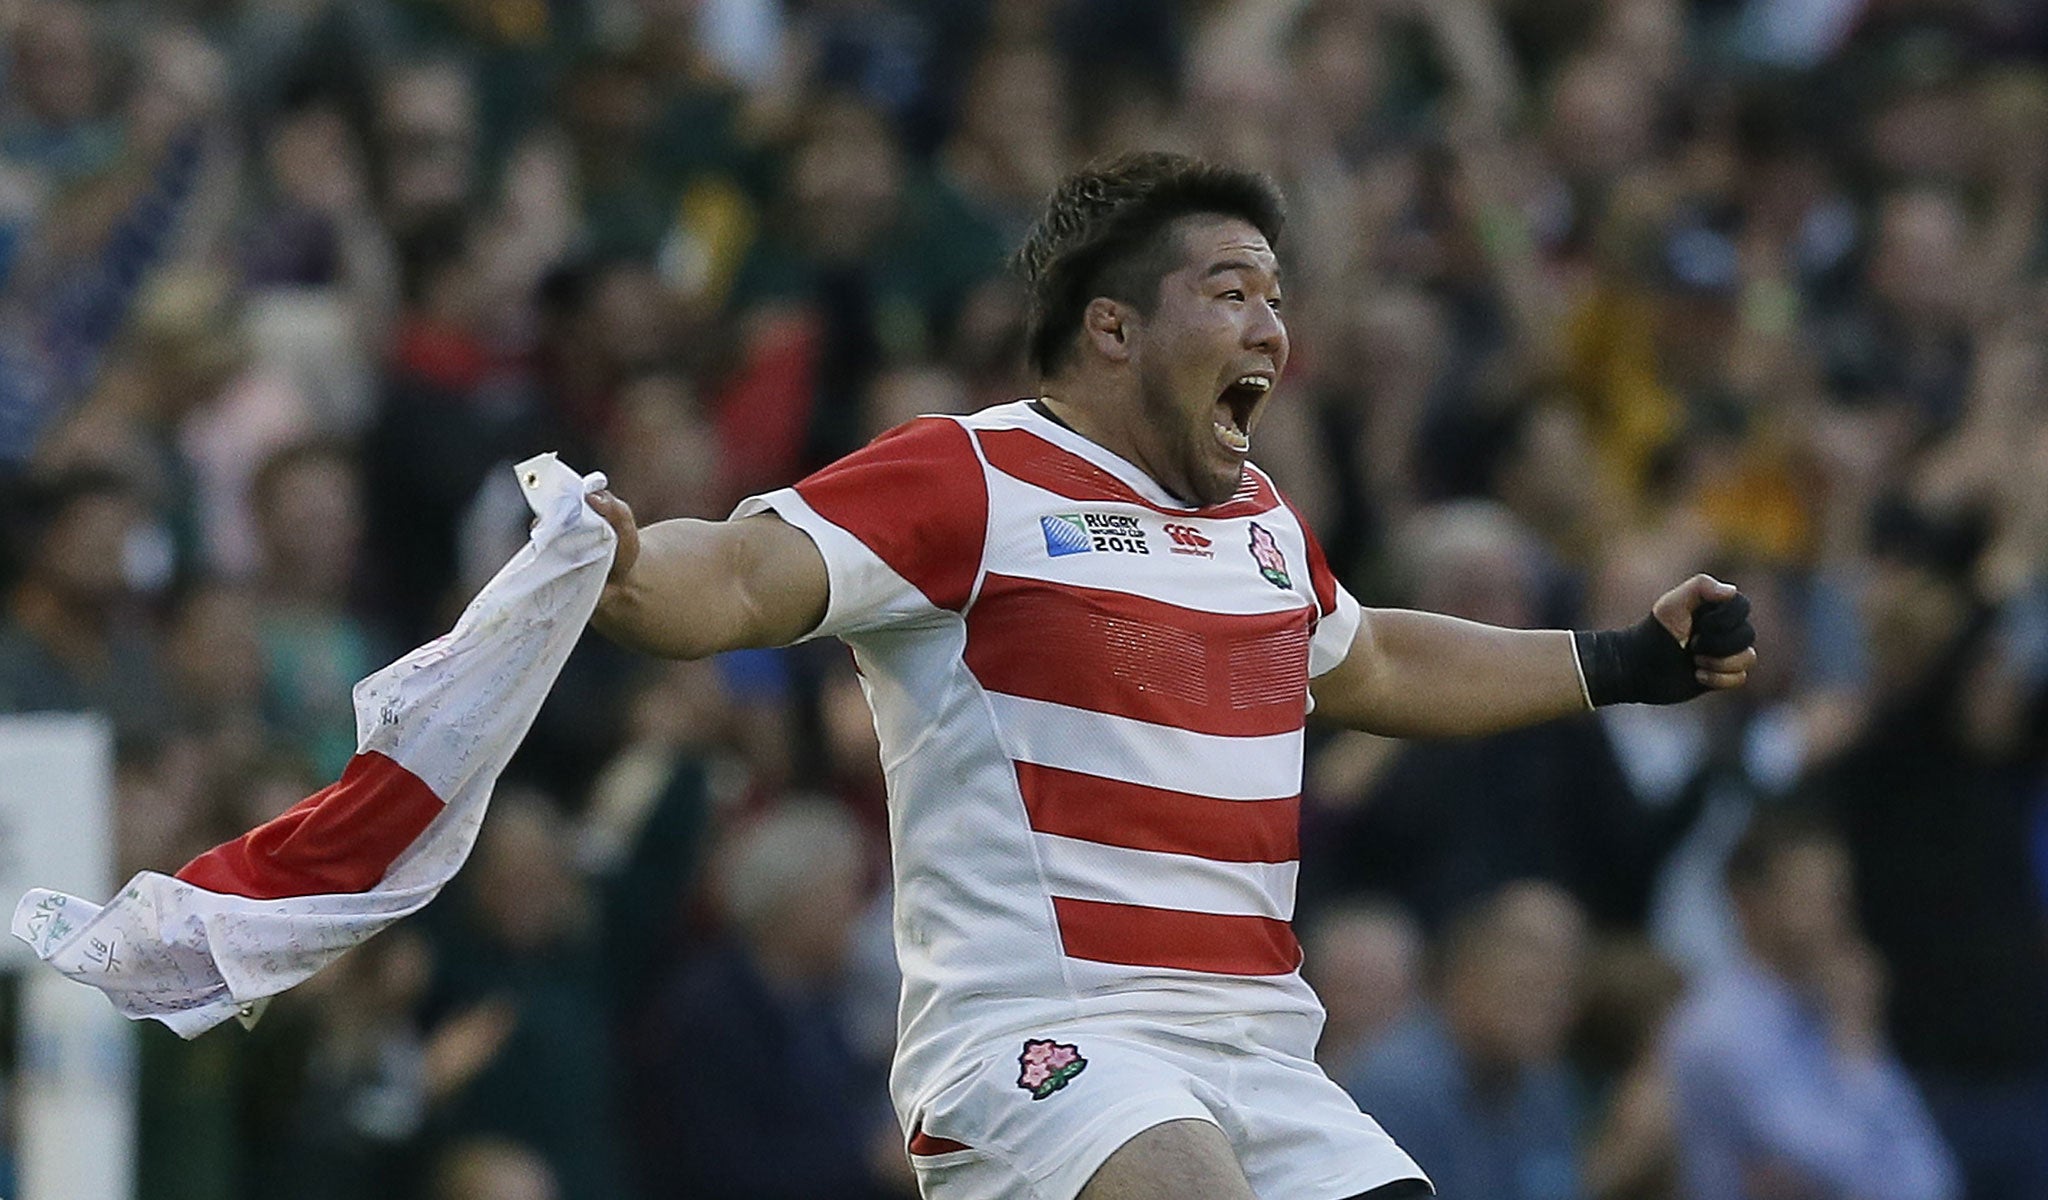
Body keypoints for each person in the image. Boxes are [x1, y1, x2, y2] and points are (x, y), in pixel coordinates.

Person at [585, 152, 1757, 1200]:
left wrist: (1625, 662)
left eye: (1276, 301)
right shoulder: (972, 475)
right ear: (1112, 329)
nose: (1271, 331)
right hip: (1046, 1043)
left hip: (1256, 1054)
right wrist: (626, 570)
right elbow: (742, 575)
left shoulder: (1259, 521)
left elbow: (1378, 657)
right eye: (1230, 293)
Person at [1663, 808, 1958, 1200]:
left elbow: (1931, 1180)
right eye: (1811, 895)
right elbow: (1854, 1179)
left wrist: (1857, 1041)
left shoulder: (1833, 1011)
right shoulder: (1717, 1032)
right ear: (1748, 902)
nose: (1834, 916)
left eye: (1838, 897)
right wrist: (1856, 1047)